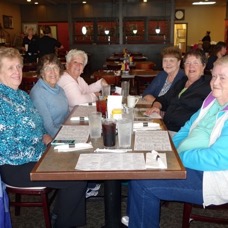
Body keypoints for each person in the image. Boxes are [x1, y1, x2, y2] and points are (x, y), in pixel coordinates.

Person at [127, 55, 228, 228]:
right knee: (139, 163)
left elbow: (218, 158)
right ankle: (137, 219)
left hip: (211, 177)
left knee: (143, 183)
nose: (215, 82)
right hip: (185, 160)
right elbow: (189, 126)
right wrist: (171, 148)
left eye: (223, 78)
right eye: (214, 76)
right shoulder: (212, 100)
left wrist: (178, 157)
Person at [0, 47, 87, 228]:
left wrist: (46, 139)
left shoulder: (22, 96)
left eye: (18, 66)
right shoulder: (1, 101)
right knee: (76, 176)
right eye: (10, 68)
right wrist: (44, 155)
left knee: (78, 163)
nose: (17, 72)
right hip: (16, 166)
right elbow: (8, 148)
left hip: (37, 154)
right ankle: (62, 222)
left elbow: (39, 126)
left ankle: (61, 215)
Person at [145, 49, 211, 132]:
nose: (191, 66)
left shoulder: (209, 85)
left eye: (195, 63)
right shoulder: (182, 82)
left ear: (203, 66)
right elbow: (163, 99)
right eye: (188, 63)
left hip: (184, 132)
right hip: (165, 127)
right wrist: (156, 106)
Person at [30, 54, 69, 138]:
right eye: (47, 68)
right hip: (50, 139)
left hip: (63, 132)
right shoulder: (38, 93)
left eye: (55, 67)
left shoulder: (60, 90)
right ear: (42, 73)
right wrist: (70, 136)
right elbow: (49, 128)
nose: (52, 72)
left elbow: (67, 116)